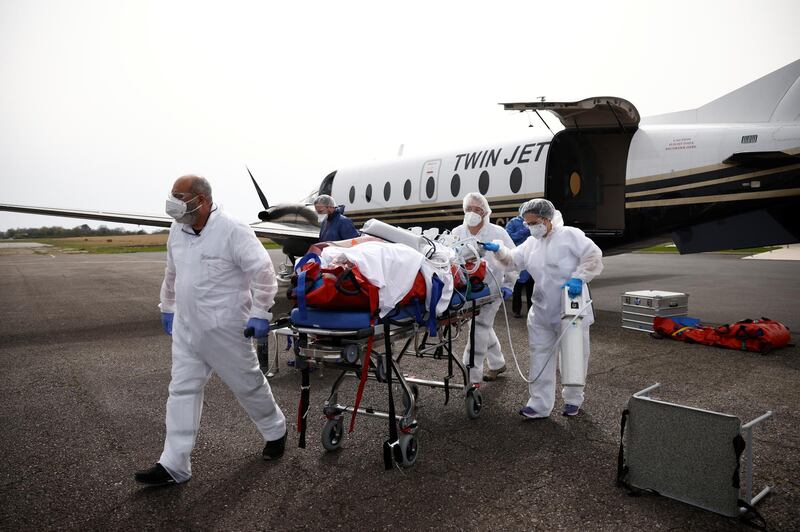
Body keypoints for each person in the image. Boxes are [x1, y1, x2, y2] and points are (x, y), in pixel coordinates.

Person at [135, 175, 287, 487]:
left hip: (225, 330)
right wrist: (167, 306)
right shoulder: (177, 230)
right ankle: (174, 465)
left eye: (180, 195)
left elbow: (263, 273)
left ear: (202, 200)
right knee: (181, 391)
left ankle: (275, 430)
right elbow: (172, 272)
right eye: (172, 194)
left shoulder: (233, 230)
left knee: (248, 385)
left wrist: (260, 312)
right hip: (187, 328)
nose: (173, 201)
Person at [482, 198, 603, 418]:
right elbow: (512, 261)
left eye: (534, 222)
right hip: (541, 309)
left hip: (570, 306)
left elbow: (593, 256)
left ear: (547, 219)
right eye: (527, 223)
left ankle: (573, 399)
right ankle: (539, 404)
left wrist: (579, 278)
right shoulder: (531, 243)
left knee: (573, 355)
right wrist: (498, 250)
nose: (530, 227)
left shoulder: (569, 235)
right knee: (539, 355)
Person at [451, 192, 517, 383]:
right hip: (466, 290)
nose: (472, 213)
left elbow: (512, 260)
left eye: (477, 209)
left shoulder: (498, 233)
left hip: (492, 289)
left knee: (479, 327)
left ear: (485, 211)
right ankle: (497, 364)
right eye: (469, 209)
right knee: (480, 325)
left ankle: (472, 376)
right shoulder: (457, 232)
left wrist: (508, 284)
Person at [504, 208, 534, 319]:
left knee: (531, 287)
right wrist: (523, 231)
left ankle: (532, 311)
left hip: (531, 258)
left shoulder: (532, 222)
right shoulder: (513, 222)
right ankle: (516, 310)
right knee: (517, 286)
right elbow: (508, 237)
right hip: (518, 258)